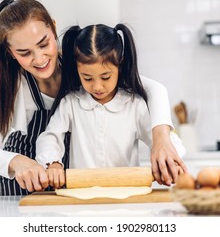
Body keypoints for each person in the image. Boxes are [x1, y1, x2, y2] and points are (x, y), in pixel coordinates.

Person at [0, 0, 187, 196]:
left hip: (67, 192)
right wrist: (17, 162)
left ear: (53, 28)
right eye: (24, 53)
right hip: (16, 194)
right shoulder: (6, 86)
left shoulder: (85, 70)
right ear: (10, 52)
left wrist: (161, 139)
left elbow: (153, 89)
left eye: (44, 44)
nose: (39, 58)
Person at [35, 24, 185, 188]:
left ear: (120, 64)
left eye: (105, 77)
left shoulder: (134, 105)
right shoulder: (71, 103)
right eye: (87, 78)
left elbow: (164, 142)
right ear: (77, 68)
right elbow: (50, 138)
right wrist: (53, 163)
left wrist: (170, 162)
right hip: (82, 200)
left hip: (128, 199)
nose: (97, 86)